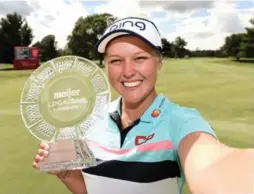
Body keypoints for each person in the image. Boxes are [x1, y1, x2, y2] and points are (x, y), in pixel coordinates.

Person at [33, 16, 254, 194]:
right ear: (105, 65)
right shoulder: (89, 119)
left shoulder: (181, 122)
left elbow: (213, 163)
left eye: (140, 58)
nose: (128, 71)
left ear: (158, 62)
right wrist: (67, 174)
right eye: (116, 61)